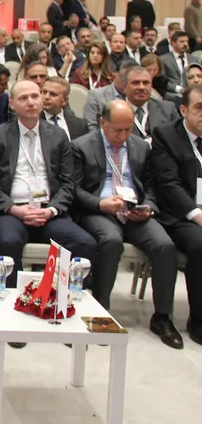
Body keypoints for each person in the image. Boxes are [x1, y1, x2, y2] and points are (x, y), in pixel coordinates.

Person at [0, 80, 97, 348]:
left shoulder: (58, 135)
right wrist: (15, 209)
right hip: (11, 211)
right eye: (24, 98)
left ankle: (63, 309)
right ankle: (13, 316)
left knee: (84, 243)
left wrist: (52, 209)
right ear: (12, 104)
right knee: (9, 242)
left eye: (36, 96)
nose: (31, 102)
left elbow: (68, 183)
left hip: (49, 212)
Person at [71, 99, 183, 348]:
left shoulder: (140, 146)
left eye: (128, 129)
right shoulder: (81, 146)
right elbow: (75, 189)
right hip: (99, 210)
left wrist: (149, 207)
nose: (123, 136)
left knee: (164, 245)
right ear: (102, 123)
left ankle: (162, 317)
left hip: (134, 211)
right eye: (117, 130)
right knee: (110, 241)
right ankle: (101, 311)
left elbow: (151, 185)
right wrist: (100, 203)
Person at [150, 85, 202, 346]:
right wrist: (197, 215)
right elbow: (169, 184)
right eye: (199, 108)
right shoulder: (166, 135)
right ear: (183, 110)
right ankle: (198, 319)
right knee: (200, 244)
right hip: (179, 214)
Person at [120, 65, 179, 141]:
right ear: (124, 87)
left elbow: (179, 139)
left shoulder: (168, 109)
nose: (141, 87)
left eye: (146, 83)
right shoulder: (113, 111)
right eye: (136, 83)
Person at [41, 77, 88, 142]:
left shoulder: (80, 125)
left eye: (53, 94)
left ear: (65, 100)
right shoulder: (32, 122)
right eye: (44, 92)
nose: (46, 97)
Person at [161, 30, 192, 97]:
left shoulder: (193, 59)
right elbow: (162, 80)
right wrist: (177, 88)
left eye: (187, 41)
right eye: (182, 41)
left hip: (192, 92)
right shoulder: (163, 59)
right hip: (173, 94)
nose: (185, 44)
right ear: (173, 43)